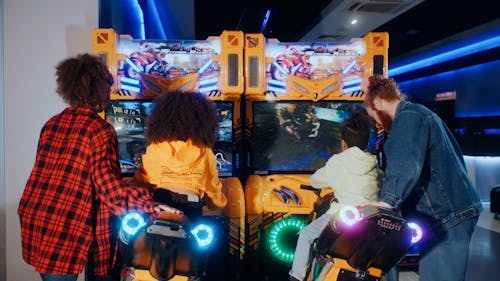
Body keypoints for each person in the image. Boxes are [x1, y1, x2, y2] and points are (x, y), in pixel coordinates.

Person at [17, 53, 168, 281]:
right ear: (95, 89)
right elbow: (109, 191)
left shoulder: (51, 123)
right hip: (66, 224)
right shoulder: (99, 130)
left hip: (40, 216)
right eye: (106, 87)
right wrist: (152, 203)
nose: (109, 93)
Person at [363, 74, 483, 281]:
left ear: (378, 102)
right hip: (446, 214)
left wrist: (386, 202)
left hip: (448, 216)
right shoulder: (418, 115)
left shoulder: (408, 117)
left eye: (374, 117)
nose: (378, 125)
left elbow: (405, 163)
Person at [289, 110, 381, 281]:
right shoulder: (373, 164)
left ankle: (297, 276)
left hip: (341, 215)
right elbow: (380, 185)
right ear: (366, 141)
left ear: (344, 143)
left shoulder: (338, 161)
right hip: (370, 219)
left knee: (306, 236)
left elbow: (316, 180)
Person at [132, 91, 228, 218]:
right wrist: (219, 203)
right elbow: (212, 189)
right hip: (192, 206)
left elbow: (141, 181)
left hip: (161, 201)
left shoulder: (156, 148)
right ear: (203, 122)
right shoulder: (204, 152)